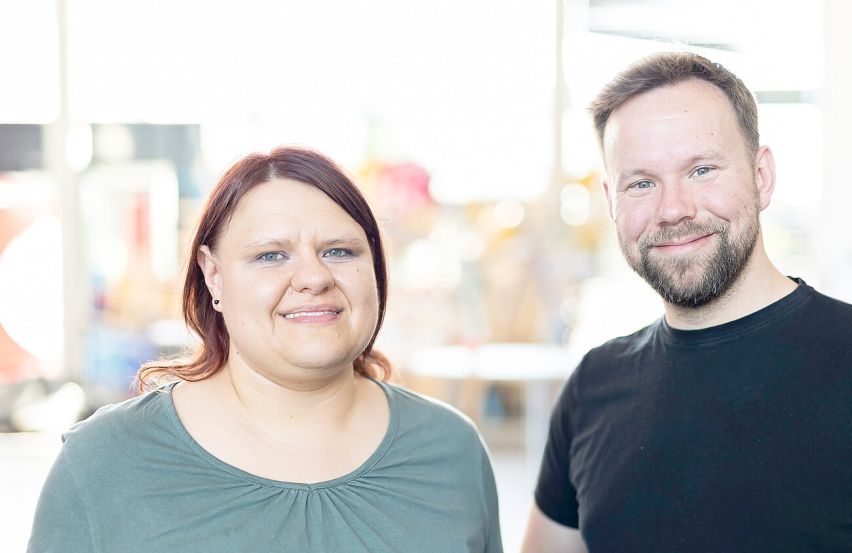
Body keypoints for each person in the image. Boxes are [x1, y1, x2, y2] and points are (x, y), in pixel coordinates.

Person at [522, 52, 852, 552]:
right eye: (642, 183)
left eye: (702, 170)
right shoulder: (593, 385)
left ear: (762, 176)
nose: (673, 209)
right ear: (612, 200)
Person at [29, 147, 503, 552]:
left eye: (340, 251)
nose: (315, 278)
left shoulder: (451, 448)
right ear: (213, 274)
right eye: (270, 255)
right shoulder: (104, 463)